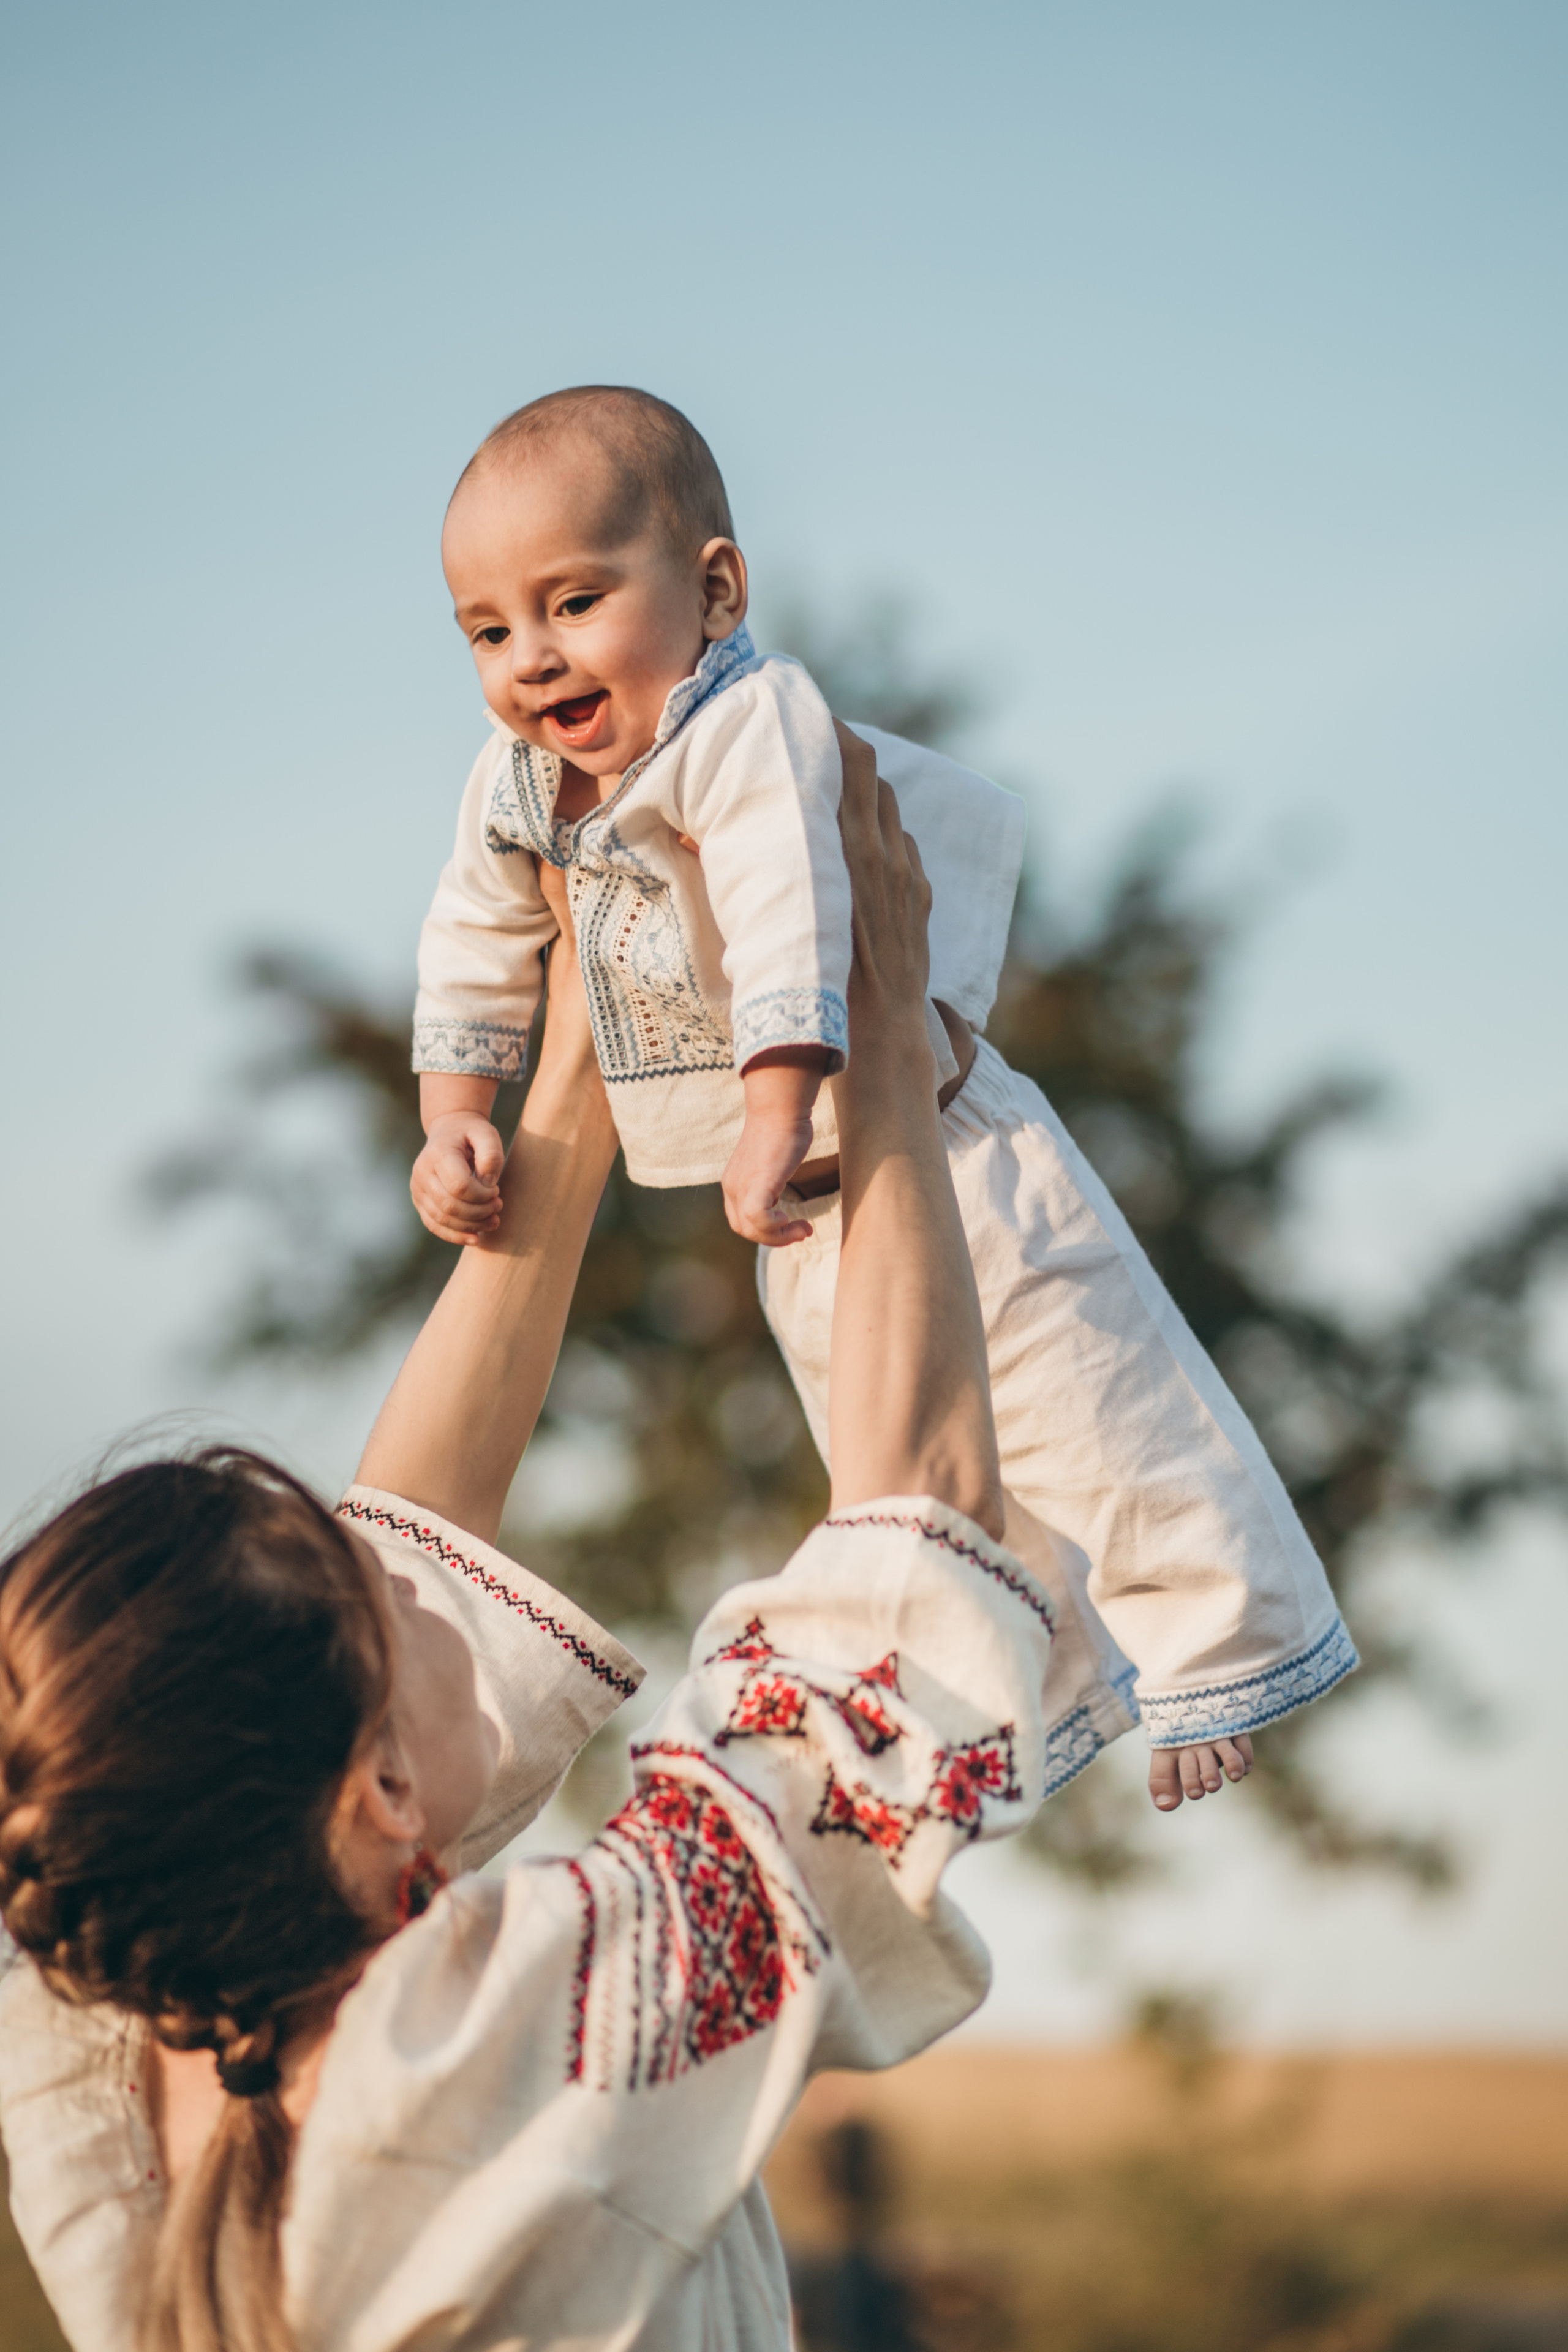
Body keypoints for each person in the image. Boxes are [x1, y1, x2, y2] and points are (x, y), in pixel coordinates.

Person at [5, 737, 1104, 2352]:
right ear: (374, 1797)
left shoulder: (98, 1992)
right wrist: (871, 1021)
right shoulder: (548, 2043)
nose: (417, 1558)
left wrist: (592, 1010)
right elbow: (910, 1564)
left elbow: (398, 1542)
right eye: (389, 1598)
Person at [410, 386, 1355, 1811]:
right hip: (805, 1208)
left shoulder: (748, 725)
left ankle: (1227, 1640)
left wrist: (780, 1101)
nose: (531, 659)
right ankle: (1052, 1684)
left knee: (1090, 1403)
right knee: (918, 1473)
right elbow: (476, 939)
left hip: (934, 1148)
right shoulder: (523, 782)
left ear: (713, 588)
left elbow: (795, 915)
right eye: (489, 631)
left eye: (574, 602)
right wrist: (453, 1111)